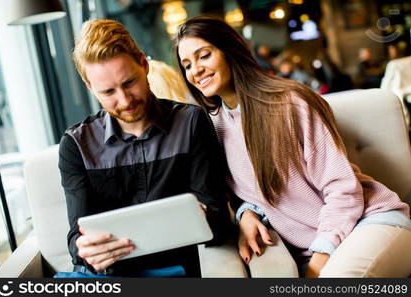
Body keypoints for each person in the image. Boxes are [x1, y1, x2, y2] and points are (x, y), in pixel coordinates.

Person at [174, 16, 411, 278]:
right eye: (187, 65)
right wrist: (246, 214)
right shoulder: (213, 128)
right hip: (315, 248)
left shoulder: (288, 103)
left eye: (204, 56)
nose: (196, 70)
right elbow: (245, 193)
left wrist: (318, 264)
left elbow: (342, 189)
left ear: (230, 50)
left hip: (369, 224)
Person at [57, 19, 231, 278]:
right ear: (89, 87)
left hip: (178, 270)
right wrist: (84, 249)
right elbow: (76, 237)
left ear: (144, 64)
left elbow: (218, 220)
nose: (125, 100)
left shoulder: (191, 123)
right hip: (110, 276)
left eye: (129, 83)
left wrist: (205, 217)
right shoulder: (76, 145)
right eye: (108, 92)